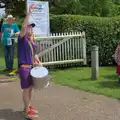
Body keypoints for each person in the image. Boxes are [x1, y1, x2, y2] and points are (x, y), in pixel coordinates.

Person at [17, 5, 42, 119]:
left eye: (32, 28)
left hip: (31, 68)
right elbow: (23, 27)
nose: (31, 29)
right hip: (24, 68)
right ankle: (26, 111)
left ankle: (28, 106)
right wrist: (29, 14)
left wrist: (38, 61)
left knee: (30, 88)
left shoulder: (31, 42)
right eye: (29, 28)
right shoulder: (22, 39)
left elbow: (34, 54)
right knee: (26, 90)